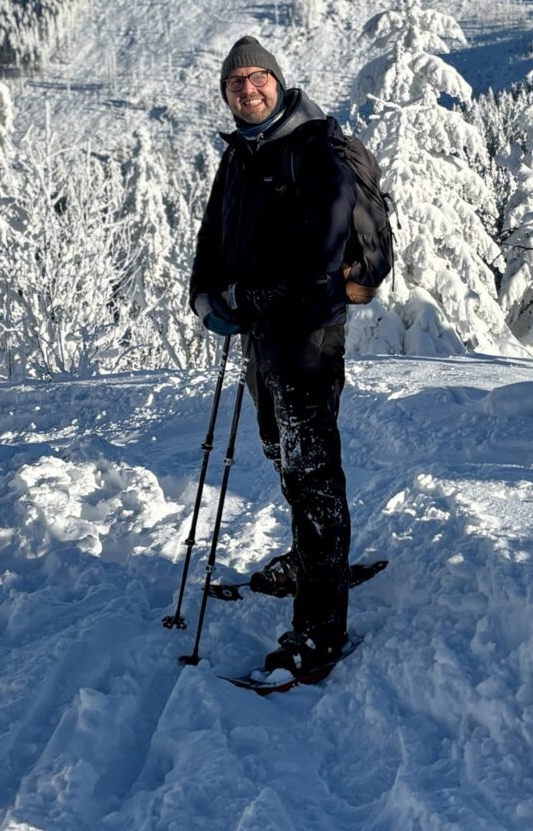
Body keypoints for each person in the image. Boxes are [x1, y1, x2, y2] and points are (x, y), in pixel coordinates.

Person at [190, 35, 357, 676]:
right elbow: (213, 236)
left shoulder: (315, 151)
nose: (247, 89)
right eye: (236, 83)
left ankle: (320, 629)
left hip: (308, 336)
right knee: (281, 452)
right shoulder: (240, 155)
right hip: (263, 336)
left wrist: (248, 298)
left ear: (278, 82)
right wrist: (206, 297)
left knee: (313, 471)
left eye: (257, 78)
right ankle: (311, 560)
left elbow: (319, 261)